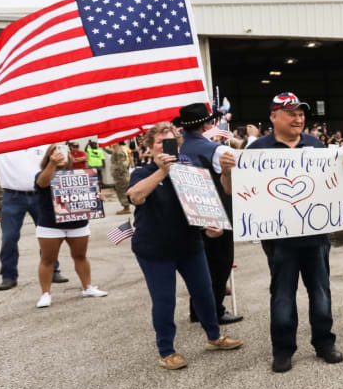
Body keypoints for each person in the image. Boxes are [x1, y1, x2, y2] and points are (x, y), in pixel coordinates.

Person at [245, 92, 343, 373]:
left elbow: (329, 184)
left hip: (316, 237)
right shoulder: (257, 150)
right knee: (282, 295)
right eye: (291, 113)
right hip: (279, 239)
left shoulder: (316, 145)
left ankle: (324, 343)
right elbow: (237, 193)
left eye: (301, 113)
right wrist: (227, 173)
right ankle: (283, 349)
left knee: (320, 292)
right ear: (274, 117)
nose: (298, 118)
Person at [127, 123, 243, 369]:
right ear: (149, 147)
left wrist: (212, 226)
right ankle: (166, 351)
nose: (165, 147)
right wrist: (161, 172)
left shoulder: (190, 173)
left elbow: (204, 204)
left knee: (205, 293)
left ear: (179, 146)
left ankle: (214, 337)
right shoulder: (142, 172)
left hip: (189, 245)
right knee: (164, 300)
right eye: (159, 142)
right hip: (155, 250)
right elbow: (136, 196)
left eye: (170, 142)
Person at [173, 103, 242, 326]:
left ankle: (197, 309)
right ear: (207, 124)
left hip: (186, 211)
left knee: (199, 264)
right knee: (220, 263)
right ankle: (214, 310)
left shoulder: (174, 147)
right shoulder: (216, 150)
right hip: (215, 211)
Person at [0, 146, 69, 289]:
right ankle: (8, 276)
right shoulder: (0, 145)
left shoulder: (44, 144)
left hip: (40, 195)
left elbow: (61, 162)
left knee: (48, 235)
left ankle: (53, 270)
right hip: (12, 196)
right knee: (9, 237)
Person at [32, 143, 109, 308]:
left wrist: (96, 197)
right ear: (48, 156)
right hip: (50, 225)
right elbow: (42, 184)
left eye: (62, 153)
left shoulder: (79, 173)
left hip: (78, 223)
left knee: (80, 256)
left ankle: (87, 287)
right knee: (48, 259)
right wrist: (52, 165)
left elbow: (86, 194)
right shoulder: (42, 174)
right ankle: (45, 294)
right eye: (55, 152)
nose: (59, 155)